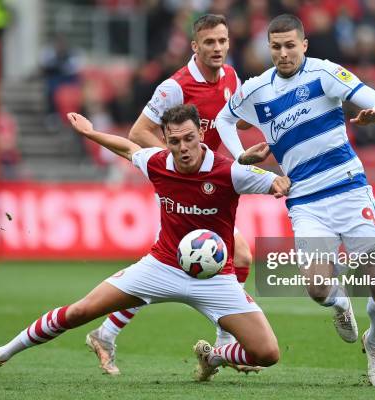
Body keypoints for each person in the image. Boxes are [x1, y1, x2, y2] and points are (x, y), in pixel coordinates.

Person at [0, 104, 289, 381]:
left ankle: (214, 357)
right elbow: (128, 148)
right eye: (174, 141)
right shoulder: (159, 163)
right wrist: (90, 134)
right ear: (166, 141)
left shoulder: (229, 172)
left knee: (267, 353)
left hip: (215, 278)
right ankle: (0, 353)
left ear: (201, 135)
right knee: (80, 311)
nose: (183, 147)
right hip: (161, 267)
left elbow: (276, 182)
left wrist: (278, 183)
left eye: (189, 138)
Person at [215, 14, 375, 387]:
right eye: (276, 47)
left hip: (348, 189)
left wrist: (374, 117)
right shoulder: (256, 89)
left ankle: (374, 343)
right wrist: (242, 156)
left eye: (290, 46)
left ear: (304, 45)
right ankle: (341, 303)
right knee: (317, 288)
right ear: (270, 48)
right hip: (305, 201)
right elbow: (223, 120)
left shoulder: (325, 73)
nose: (283, 54)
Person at [87, 14, 256, 375]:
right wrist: (175, 164)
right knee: (229, 255)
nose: (217, 48)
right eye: (209, 42)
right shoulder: (175, 87)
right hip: (183, 183)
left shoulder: (230, 78)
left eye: (222, 41)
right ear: (195, 46)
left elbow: (229, 121)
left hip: (211, 188)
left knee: (178, 263)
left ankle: (107, 332)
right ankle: (225, 344)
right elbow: (139, 131)